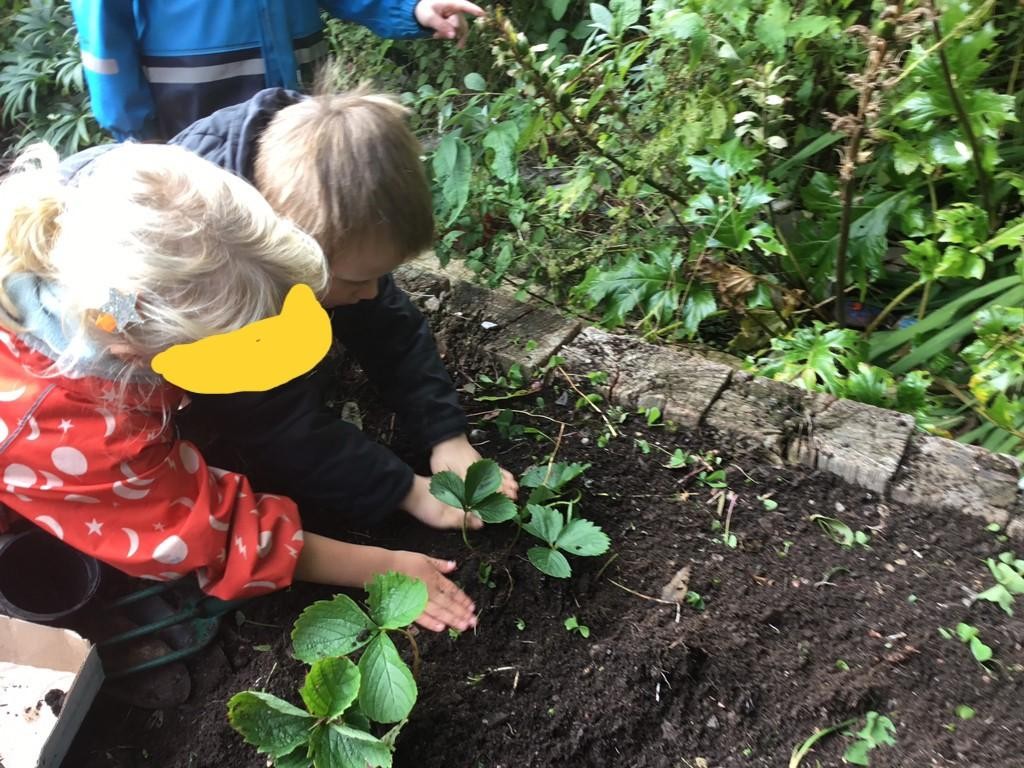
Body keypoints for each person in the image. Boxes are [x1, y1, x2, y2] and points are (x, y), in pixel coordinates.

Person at [0, 142, 479, 633]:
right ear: (135, 355)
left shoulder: (115, 208)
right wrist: (382, 566)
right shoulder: (80, 431)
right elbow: (202, 536)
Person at [142, 80, 521, 556]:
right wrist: (406, 490)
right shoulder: (218, 273)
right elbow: (274, 420)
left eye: (381, 275)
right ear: (288, 255)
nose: (372, 291)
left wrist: (445, 434)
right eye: (357, 279)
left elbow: (389, 325)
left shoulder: (319, 191)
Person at [69, 0, 486, 141]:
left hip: (298, 113)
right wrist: (139, 135)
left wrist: (412, 8)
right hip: (191, 122)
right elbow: (103, 35)